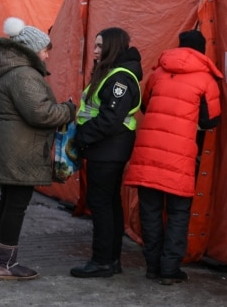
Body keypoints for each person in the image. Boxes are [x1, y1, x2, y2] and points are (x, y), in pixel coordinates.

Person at [124, 30, 222, 284]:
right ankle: (170, 269)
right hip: (180, 156)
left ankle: (153, 266)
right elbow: (211, 120)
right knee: (179, 213)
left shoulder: (158, 73)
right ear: (202, 51)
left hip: (148, 151)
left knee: (151, 211)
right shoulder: (206, 80)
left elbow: (146, 105)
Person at [0, 18, 75, 281]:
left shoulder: (9, 68)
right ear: (32, 49)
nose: (47, 55)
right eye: (45, 49)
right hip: (20, 147)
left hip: (8, 143)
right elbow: (41, 114)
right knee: (16, 205)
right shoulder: (24, 74)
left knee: (7, 201)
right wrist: (68, 110)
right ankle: (6, 265)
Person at [70, 27, 142, 279]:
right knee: (109, 204)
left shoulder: (119, 78)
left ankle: (102, 260)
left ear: (112, 47)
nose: (96, 50)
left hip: (108, 148)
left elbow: (110, 119)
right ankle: (110, 259)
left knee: (101, 204)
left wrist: (81, 136)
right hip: (108, 147)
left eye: (100, 46)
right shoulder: (113, 74)